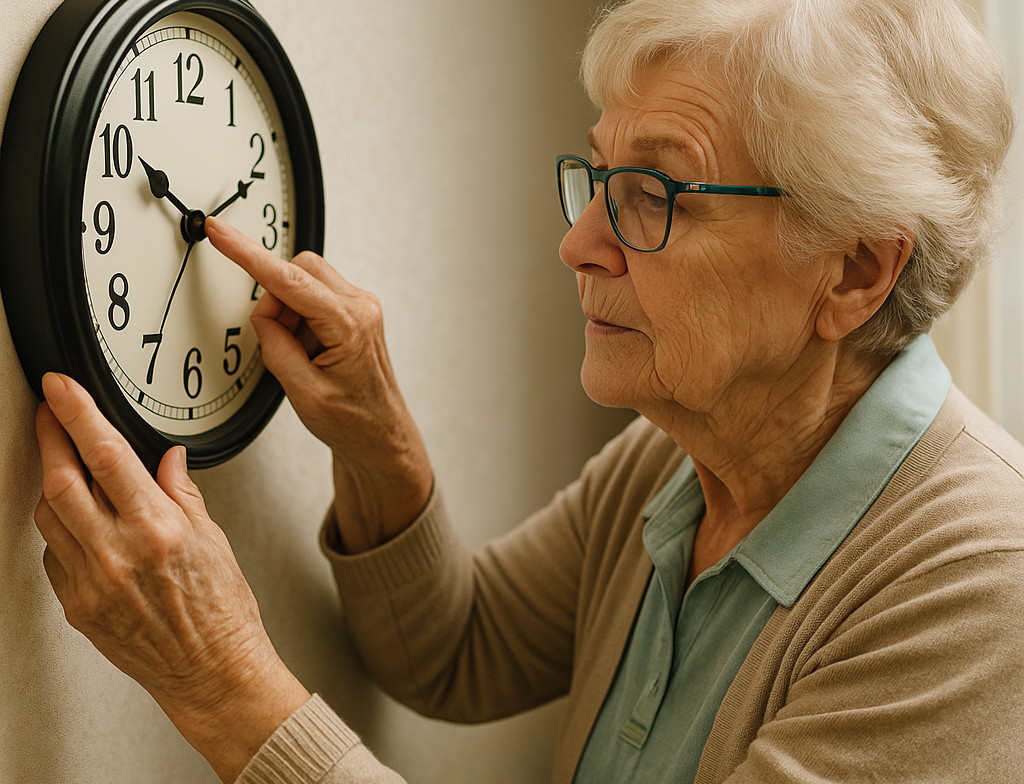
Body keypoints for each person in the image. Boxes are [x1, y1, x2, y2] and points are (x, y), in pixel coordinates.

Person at [32, 0, 1024, 781]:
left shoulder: (979, 591)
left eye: (654, 195)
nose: (578, 243)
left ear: (855, 272)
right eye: (598, 175)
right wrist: (378, 442)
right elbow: (456, 653)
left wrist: (222, 686)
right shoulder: (681, 456)